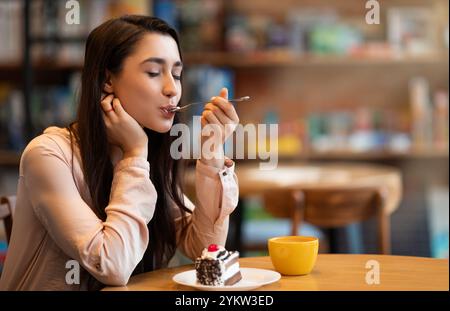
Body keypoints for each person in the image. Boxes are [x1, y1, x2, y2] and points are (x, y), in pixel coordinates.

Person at [0, 15, 239, 290]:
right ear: (107, 80)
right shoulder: (47, 155)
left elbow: (204, 248)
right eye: (153, 72)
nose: (172, 89)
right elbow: (112, 265)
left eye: (176, 73)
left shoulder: (153, 154)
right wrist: (134, 155)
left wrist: (212, 153)